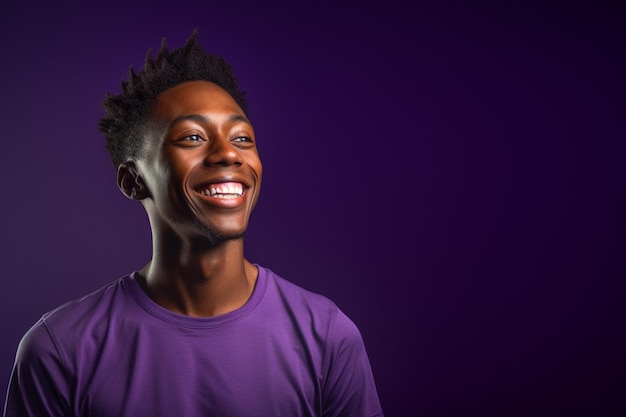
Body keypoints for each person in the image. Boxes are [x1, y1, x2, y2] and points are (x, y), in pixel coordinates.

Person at [3, 31, 383, 417]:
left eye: (242, 138)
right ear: (133, 181)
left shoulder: (328, 338)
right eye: (193, 137)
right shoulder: (59, 351)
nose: (227, 154)